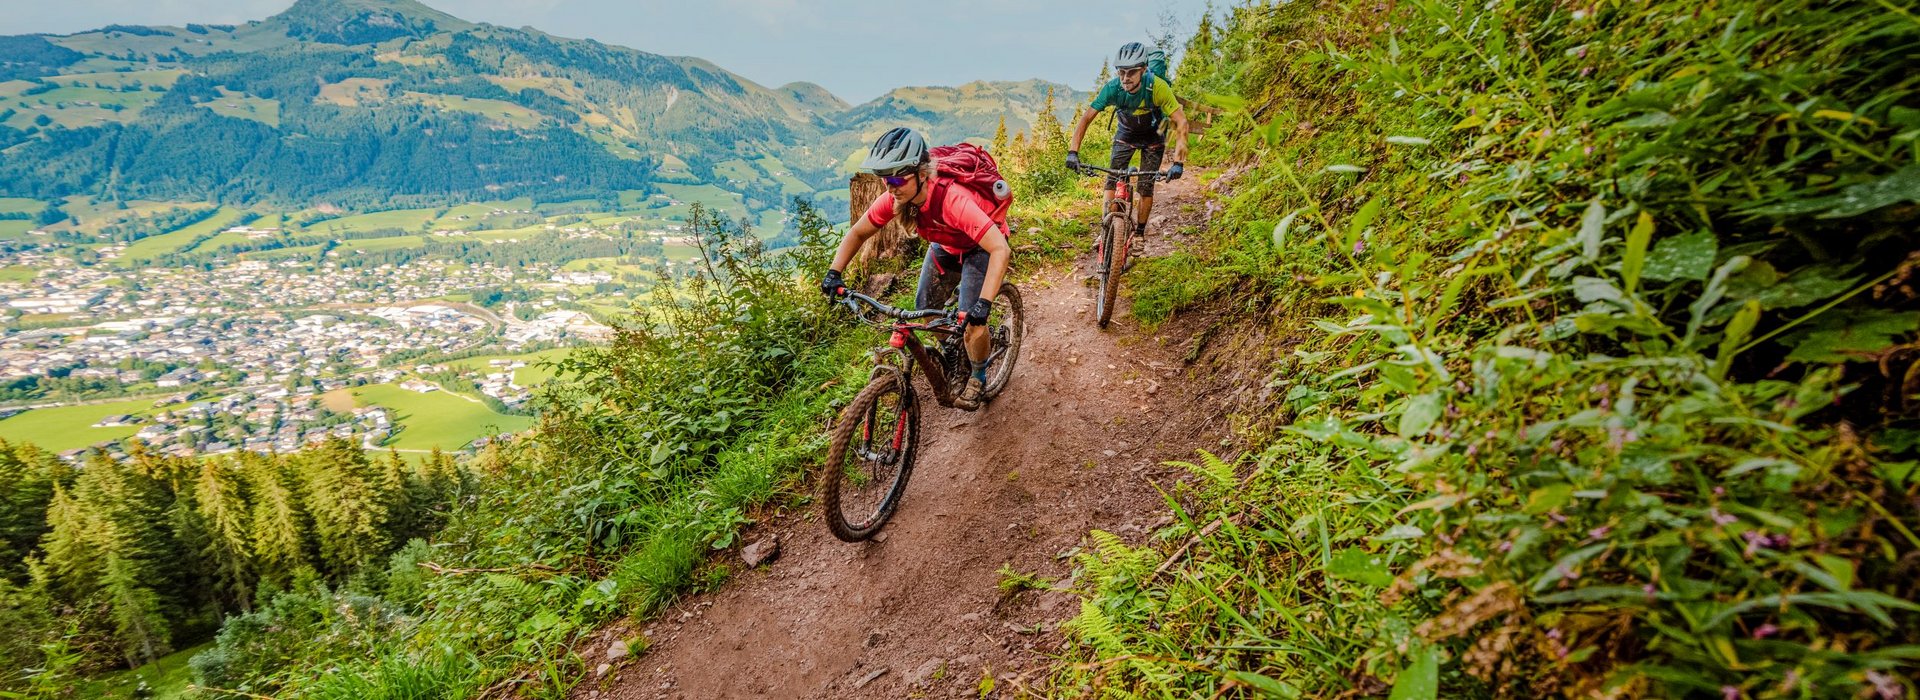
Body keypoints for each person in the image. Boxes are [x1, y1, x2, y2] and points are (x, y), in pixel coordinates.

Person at [822, 127, 1013, 403]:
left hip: (981, 247)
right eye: (885, 180)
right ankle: (953, 351)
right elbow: (858, 232)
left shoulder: (952, 199)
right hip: (946, 246)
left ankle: (978, 374)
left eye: (897, 180)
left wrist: (982, 306)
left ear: (922, 174)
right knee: (925, 308)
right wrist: (834, 272)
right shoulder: (898, 198)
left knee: (973, 323)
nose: (890, 187)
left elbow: (999, 249)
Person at [1067, 41, 1189, 254]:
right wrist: (1073, 152)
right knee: (1112, 179)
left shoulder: (1158, 87)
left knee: (1145, 186)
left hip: (1154, 135)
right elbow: (1086, 119)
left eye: (1131, 72)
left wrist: (1178, 162)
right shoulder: (1113, 88)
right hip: (1126, 133)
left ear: (1143, 70)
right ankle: (1106, 228)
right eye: (1122, 72)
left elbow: (1182, 122)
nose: (1125, 78)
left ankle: (1139, 234)